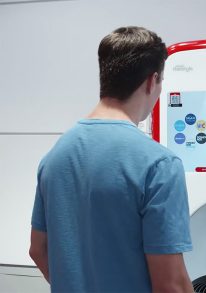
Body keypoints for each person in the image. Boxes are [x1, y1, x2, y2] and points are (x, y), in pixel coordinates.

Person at [29, 26, 193, 292]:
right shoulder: (160, 165)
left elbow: (38, 250)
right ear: (152, 81)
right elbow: (171, 285)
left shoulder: (54, 157)